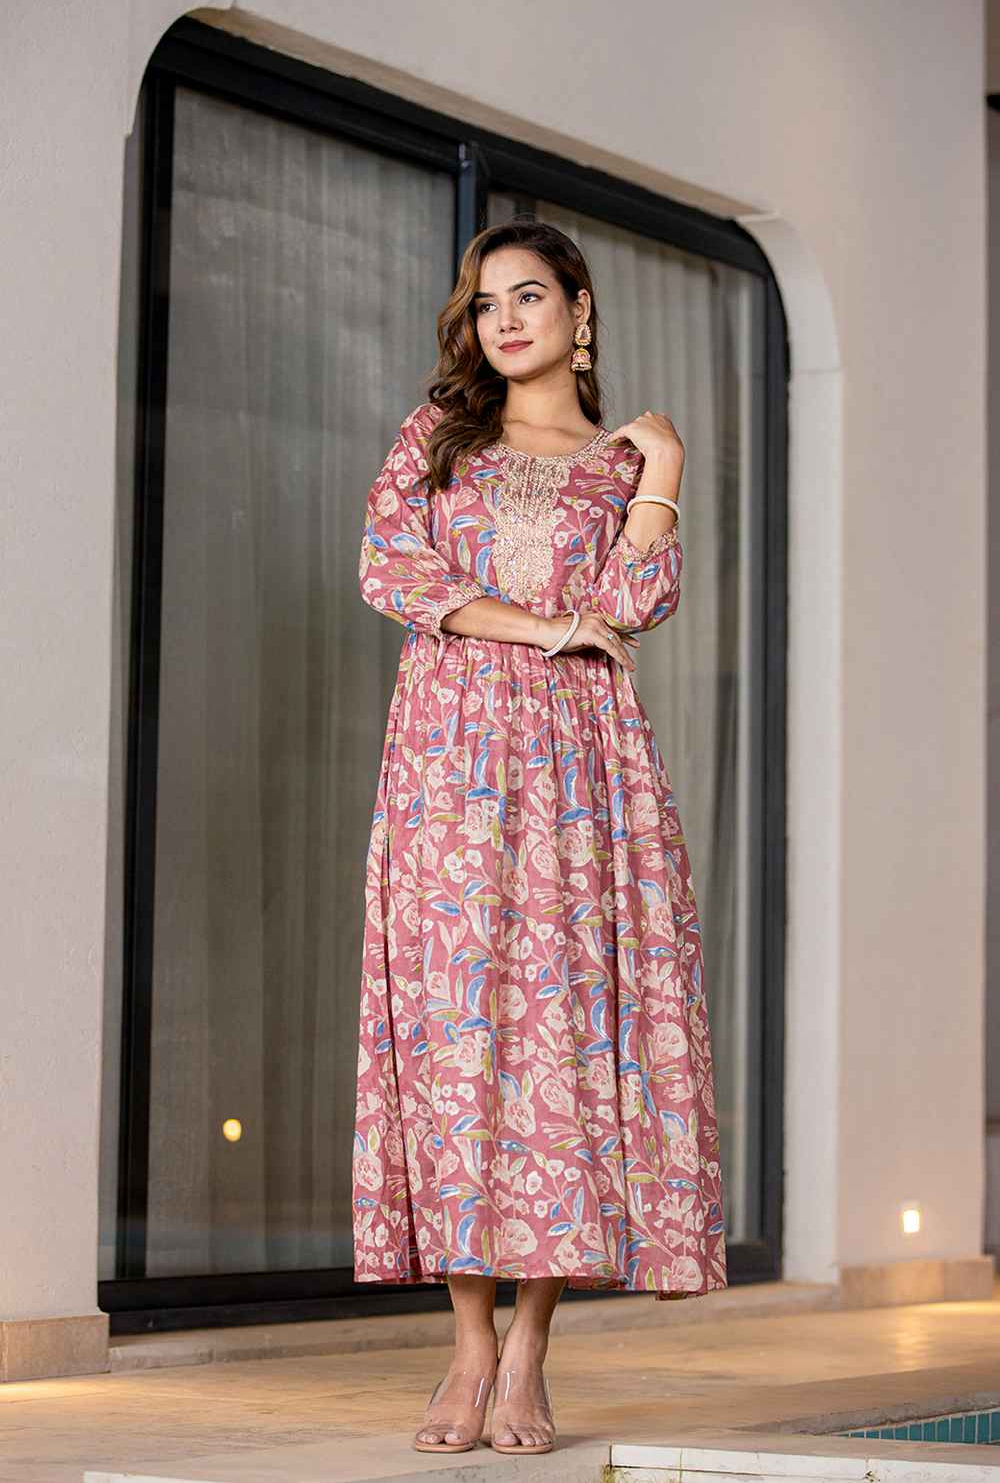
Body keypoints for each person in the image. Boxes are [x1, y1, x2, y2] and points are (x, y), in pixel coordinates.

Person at [353, 218, 727, 1455]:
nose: (504, 320)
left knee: (560, 1039)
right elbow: (390, 571)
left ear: (579, 309)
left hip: (581, 769)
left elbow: (634, 605)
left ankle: (528, 1351)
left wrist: (662, 471)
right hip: (448, 766)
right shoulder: (437, 438)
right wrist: (541, 627)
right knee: (458, 1038)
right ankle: (467, 1344)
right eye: (485, 303)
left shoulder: (619, 464)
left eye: (527, 296)